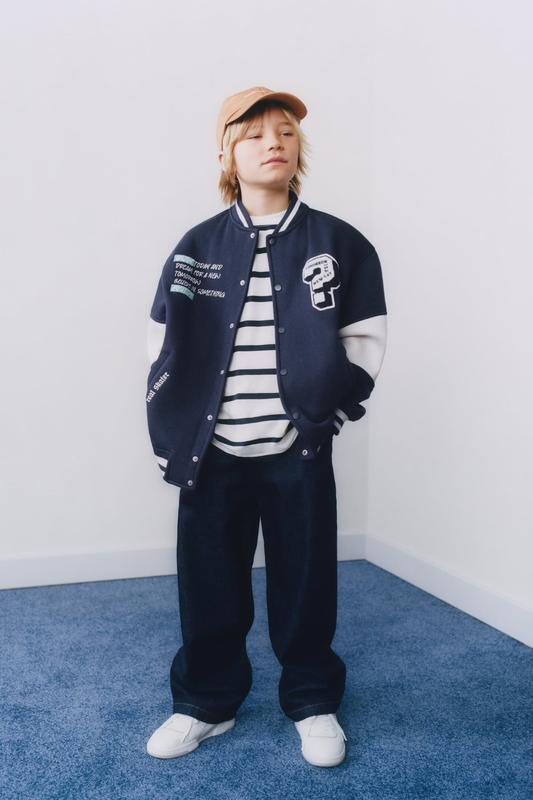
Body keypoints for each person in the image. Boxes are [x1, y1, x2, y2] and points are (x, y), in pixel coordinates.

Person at [145, 86, 388, 767]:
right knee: (208, 584)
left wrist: (326, 412)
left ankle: (311, 700)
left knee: (305, 583)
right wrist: (173, 431)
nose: (272, 143)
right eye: (252, 134)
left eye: (284, 132)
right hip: (212, 452)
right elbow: (161, 347)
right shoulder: (196, 246)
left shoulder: (338, 243)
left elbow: (365, 338)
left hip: (296, 449)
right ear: (226, 153)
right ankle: (205, 703)